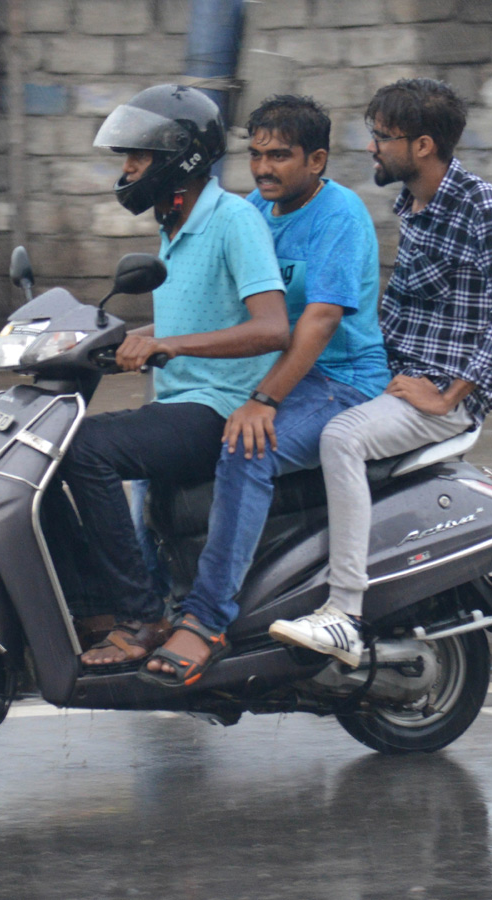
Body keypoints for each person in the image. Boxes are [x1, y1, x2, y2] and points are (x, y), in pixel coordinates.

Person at [269, 78, 492, 666]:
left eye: (382, 138)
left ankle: (344, 613)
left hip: (435, 393)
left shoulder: (478, 203)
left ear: (422, 146)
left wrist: (448, 397)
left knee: (341, 438)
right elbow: (396, 310)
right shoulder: (411, 205)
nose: (371, 149)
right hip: (392, 377)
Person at [139, 94, 389, 688]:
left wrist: (265, 401)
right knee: (153, 449)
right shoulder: (254, 211)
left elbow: (320, 321)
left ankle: (209, 618)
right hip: (276, 376)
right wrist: (140, 341)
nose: (263, 169)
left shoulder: (340, 215)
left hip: (341, 381)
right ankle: (149, 608)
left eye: (279, 156)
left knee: (247, 448)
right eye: (255, 155)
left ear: (317, 160)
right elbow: (220, 309)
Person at [61, 84, 289, 668]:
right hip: (181, 401)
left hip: (220, 408)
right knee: (47, 447)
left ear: (180, 157)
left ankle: (141, 617)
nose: (129, 169)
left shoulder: (233, 220)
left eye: (138, 157)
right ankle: (95, 608)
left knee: (86, 449)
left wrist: (168, 344)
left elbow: (272, 328)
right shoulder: (173, 226)